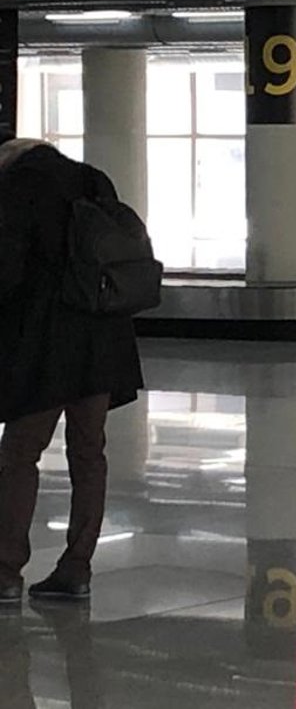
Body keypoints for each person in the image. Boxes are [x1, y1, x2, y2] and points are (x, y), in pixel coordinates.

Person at [0, 127, 144, 603]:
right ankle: (76, 567)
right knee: (88, 453)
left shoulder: (17, 186)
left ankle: (5, 570)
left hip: (45, 344)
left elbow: (7, 270)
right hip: (103, 338)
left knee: (20, 454)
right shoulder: (94, 179)